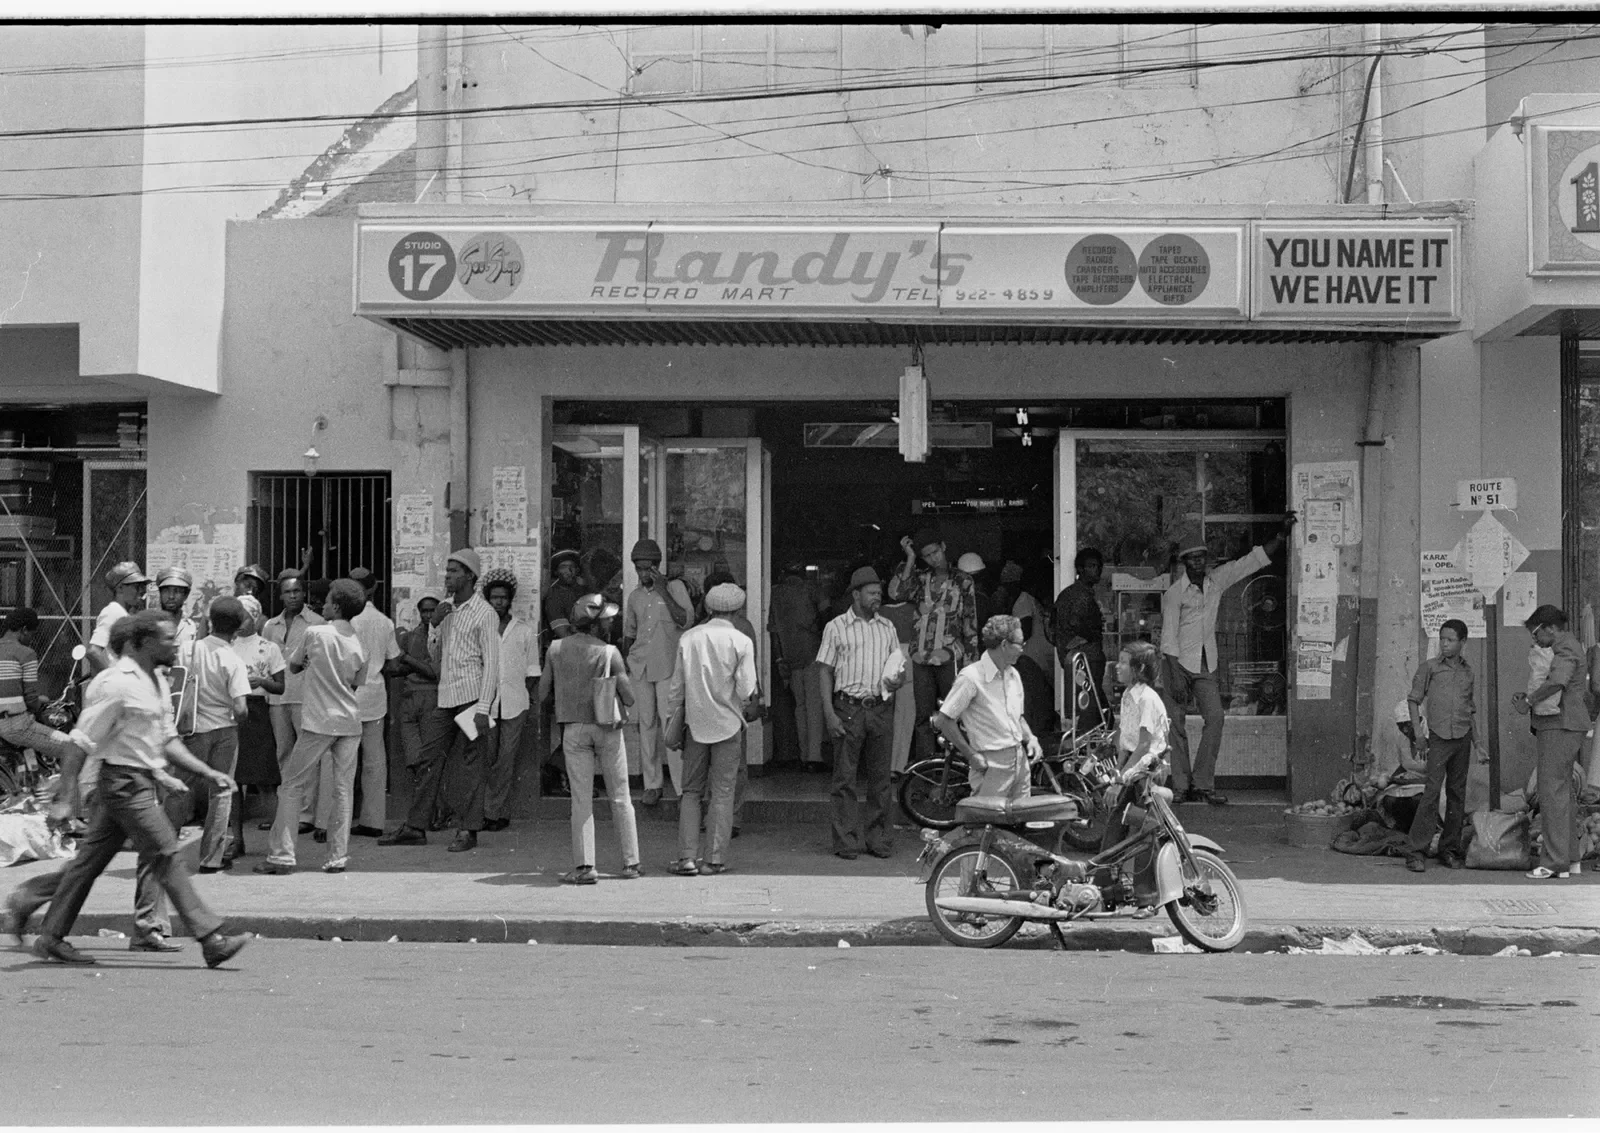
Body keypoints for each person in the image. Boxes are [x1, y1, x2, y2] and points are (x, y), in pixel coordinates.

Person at [23, 610, 249, 967]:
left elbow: (165, 741)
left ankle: (48, 932)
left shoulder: (157, 681)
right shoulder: (117, 684)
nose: (175, 644)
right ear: (142, 644)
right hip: (123, 784)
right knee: (166, 853)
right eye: (167, 638)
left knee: (87, 865)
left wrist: (203, 771)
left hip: (137, 780)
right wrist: (65, 798)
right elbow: (79, 743)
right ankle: (211, 938)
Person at [1159, 517, 1293, 805]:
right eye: (1191, 558)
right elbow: (1168, 638)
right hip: (1175, 663)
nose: (1197, 562)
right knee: (1175, 725)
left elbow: (1249, 562)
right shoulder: (1173, 595)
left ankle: (1203, 784)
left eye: (1201, 557)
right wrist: (1174, 675)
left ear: (1206, 560)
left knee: (1216, 719)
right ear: (1184, 562)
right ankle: (1181, 787)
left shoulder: (1216, 581)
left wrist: (1280, 537)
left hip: (1205, 662)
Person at [379, 548, 499, 852]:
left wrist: (484, 708)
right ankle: (415, 826)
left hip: (473, 697)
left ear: (470, 576)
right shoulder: (445, 609)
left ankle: (468, 830)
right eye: (447, 571)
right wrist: (435, 626)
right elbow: (435, 657)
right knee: (428, 760)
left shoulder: (485, 613)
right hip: (444, 695)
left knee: (472, 764)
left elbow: (492, 665)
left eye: (454, 571)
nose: (448, 576)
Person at [255, 580, 368, 875]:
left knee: (291, 784)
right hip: (349, 722)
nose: (323, 604)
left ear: (337, 606)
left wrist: (312, 666)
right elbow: (356, 682)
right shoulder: (358, 641)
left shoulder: (315, 632)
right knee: (343, 790)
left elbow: (293, 667)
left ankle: (281, 856)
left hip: (319, 720)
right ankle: (336, 857)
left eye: (328, 601)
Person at [536, 593, 641, 884]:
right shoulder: (610, 653)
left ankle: (584, 868)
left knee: (581, 799)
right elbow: (630, 698)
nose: (610, 622)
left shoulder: (555, 649)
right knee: (621, 796)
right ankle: (631, 863)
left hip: (574, 729)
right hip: (607, 726)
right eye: (606, 619)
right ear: (594, 625)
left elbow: (542, 692)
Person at [663, 582, 757, 877]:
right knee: (723, 793)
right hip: (728, 727)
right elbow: (746, 690)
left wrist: (671, 721)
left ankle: (687, 858)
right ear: (738, 610)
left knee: (691, 792)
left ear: (707, 608)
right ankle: (714, 860)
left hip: (695, 725)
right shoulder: (741, 641)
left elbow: (676, 688)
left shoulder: (689, 638)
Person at [818, 566, 905, 860]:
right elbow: (825, 671)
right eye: (871, 593)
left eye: (878, 593)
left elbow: (899, 670)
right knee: (845, 779)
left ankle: (877, 838)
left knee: (881, 779)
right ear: (856, 595)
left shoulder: (887, 628)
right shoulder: (836, 627)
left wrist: (897, 681)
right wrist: (829, 714)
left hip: (880, 707)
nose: (876, 597)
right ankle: (845, 840)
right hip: (848, 708)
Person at [171, 597, 250, 875]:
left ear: (210, 621)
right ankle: (211, 859)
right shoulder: (233, 660)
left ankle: (165, 851)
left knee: (180, 788)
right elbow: (240, 708)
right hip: (225, 732)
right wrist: (238, 718)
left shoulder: (188, 649)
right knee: (221, 791)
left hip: (192, 731)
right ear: (238, 628)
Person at [1513, 604, 1591, 880]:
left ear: (1550, 628)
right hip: (1566, 724)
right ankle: (1570, 859)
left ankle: (1554, 862)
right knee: (1562, 793)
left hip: (1560, 724)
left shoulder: (1565, 648)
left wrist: (1530, 701)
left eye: (1537, 634)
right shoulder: (1567, 646)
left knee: (1551, 793)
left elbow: (1558, 681)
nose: (1536, 640)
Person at [889, 526, 979, 761]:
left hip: (952, 657)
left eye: (935, 552)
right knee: (923, 718)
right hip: (921, 657)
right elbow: (898, 593)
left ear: (943, 547)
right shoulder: (920, 579)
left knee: (955, 714)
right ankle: (926, 771)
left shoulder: (963, 580)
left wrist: (972, 662)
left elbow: (970, 622)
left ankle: (958, 767)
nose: (932, 559)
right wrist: (909, 558)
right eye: (926, 556)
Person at [933, 614, 1043, 804]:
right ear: (1004, 645)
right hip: (991, 762)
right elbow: (944, 720)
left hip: (1019, 758)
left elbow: (1017, 717)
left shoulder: (1012, 673)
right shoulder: (971, 677)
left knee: (1020, 821)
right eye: (1020, 644)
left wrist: (1031, 738)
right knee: (986, 823)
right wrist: (971, 755)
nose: (1022, 649)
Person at [620, 538, 693, 806]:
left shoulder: (675, 588)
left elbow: (686, 620)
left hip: (668, 668)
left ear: (658, 566)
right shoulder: (634, 596)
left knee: (670, 726)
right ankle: (652, 785)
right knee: (646, 725)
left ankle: (682, 786)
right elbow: (629, 632)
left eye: (648, 568)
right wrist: (628, 660)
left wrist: (663, 590)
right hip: (640, 667)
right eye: (638, 569)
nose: (643, 574)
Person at [1403, 619, 1476, 873]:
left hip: (1462, 738)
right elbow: (1413, 701)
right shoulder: (1430, 668)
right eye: (1442, 639)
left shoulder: (1468, 672)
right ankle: (1416, 851)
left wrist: (1479, 744)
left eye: (1451, 640)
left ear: (1462, 643)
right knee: (1432, 793)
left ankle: (1450, 849)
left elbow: (1470, 710)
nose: (1445, 644)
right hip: (1438, 738)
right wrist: (1418, 735)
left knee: (1457, 794)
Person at [261, 569, 325, 833]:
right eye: (287, 592)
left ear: (304, 593)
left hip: (305, 695)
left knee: (306, 754)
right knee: (283, 753)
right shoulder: (269, 626)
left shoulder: (317, 622)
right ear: (280, 596)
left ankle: (307, 814)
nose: (292, 596)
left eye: (297, 591)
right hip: (277, 697)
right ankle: (288, 810)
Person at [225, 593, 284, 864]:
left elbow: (280, 685)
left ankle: (277, 844)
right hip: (230, 713)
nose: (240, 622)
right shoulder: (225, 647)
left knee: (265, 781)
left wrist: (261, 680)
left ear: (257, 617)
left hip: (257, 713)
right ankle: (236, 839)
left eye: (246, 616)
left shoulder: (268, 648)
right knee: (234, 782)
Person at [346, 567, 402, 839]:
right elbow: (393, 662)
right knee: (375, 760)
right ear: (373, 589)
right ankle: (373, 821)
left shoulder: (344, 621)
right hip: (374, 695)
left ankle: (333, 822)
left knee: (340, 760)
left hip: (345, 695)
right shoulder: (383, 621)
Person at [1099, 641, 1172, 851]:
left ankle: (1140, 883)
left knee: (1144, 833)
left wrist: (1121, 781)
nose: (1117, 666)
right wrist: (1117, 774)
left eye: (1123, 662)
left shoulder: (1147, 698)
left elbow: (1143, 745)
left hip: (1146, 771)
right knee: (1116, 824)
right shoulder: (1127, 696)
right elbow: (1126, 743)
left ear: (1138, 669)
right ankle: (1106, 878)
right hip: (1132, 767)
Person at [482, 567, 540, 832]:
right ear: (487, 599)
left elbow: (531, 671)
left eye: (503, 597)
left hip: (515, 703)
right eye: (494, 597)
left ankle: (493, 813)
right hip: (484, 704)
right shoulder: (480, 629)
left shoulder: (524, 630)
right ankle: (481, 812)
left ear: (510, 599)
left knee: (506, 759)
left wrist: (522, 693)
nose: (499, 602)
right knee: (485, 757)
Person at [770, 562, 826, 772]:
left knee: (800, 707)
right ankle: (815, 757)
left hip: (790, 655)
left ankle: (804, 755)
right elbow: (826, 616)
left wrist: (779, 658)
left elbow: (773, 631)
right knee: (814, 707)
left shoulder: (776, 594)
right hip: (813, 652)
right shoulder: (812, 589)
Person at [394, 592, 444, 817]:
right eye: (424, 610)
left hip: (432, 700)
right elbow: (396, 668)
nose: (427, 614)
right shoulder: (411, 636)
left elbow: (434, 672)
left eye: (432, 610)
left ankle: (434, 812)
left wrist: (407, 660)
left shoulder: (444, 636)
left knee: (428, 760)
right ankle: (430, 811)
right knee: (414, 759)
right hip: (409, 699)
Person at [1055, 548, 1107, 734]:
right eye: (1092, 566)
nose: (1097, 570)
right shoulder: (1078, 596)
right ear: (1080, 569)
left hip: (1080, 660)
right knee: (1089, 716)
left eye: (1099, 566)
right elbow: (1076, 625)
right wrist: (1090, 637)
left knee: (1098, 715)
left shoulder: (1075, 594)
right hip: (1084, 661)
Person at [1004, 562, 1056, 740]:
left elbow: (1023, 629)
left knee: (1034, 702)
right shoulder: (1033, 601)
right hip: (1042, 657)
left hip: (1031, 658)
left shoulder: (1023, 600)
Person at [87, 561, 150, 673]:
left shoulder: (125, 614)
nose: (141, 591)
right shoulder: (113, 611)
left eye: (142, 586)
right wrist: (112, 678)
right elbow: (93, 652)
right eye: (136, 586)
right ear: (120, 588)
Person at [543, 549, 585, 647]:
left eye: (572, 566)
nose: (569, 571)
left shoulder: (581, 589)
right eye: (563, 567)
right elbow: (563, 633)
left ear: (577, 570)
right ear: (556, 572)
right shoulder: (554, 595)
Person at [154, 566, 199, 660]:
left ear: (186, 595)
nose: (171, 596)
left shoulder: (191, 627)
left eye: (177, 591)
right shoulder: (151, 625)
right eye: (166, 591)